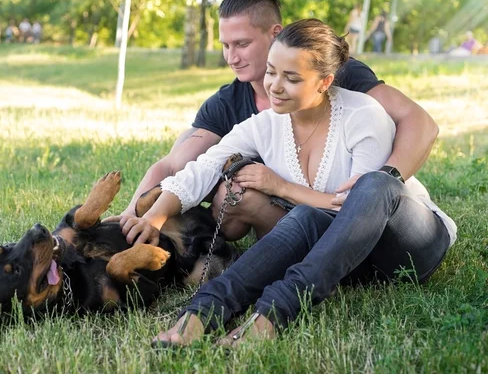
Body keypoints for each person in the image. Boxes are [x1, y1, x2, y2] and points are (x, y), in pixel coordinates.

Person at [126, 19, 456, 348]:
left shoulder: (363, 115)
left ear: (325, 81)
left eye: (292, 78)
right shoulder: (265, 125)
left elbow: (355, 210)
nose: (275, 86)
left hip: (406, 246)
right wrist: (154, 217)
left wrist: (281, 187)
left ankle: (275, 312)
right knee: (304, 217)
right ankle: (204, 309)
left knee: (375, 184)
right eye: (271, 72)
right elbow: (203, 168)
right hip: (346, 262)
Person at [105, 0, 439, 245]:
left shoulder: (335, 74)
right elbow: (175, 165)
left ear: (274, 33)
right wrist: (135, 215)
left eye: (242, 44)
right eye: (225, 45)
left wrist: (381, 184)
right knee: (228, 191)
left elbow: (419, 122)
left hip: (359, 211)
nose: (231, 58)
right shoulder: (229, 103)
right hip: (279, 213)